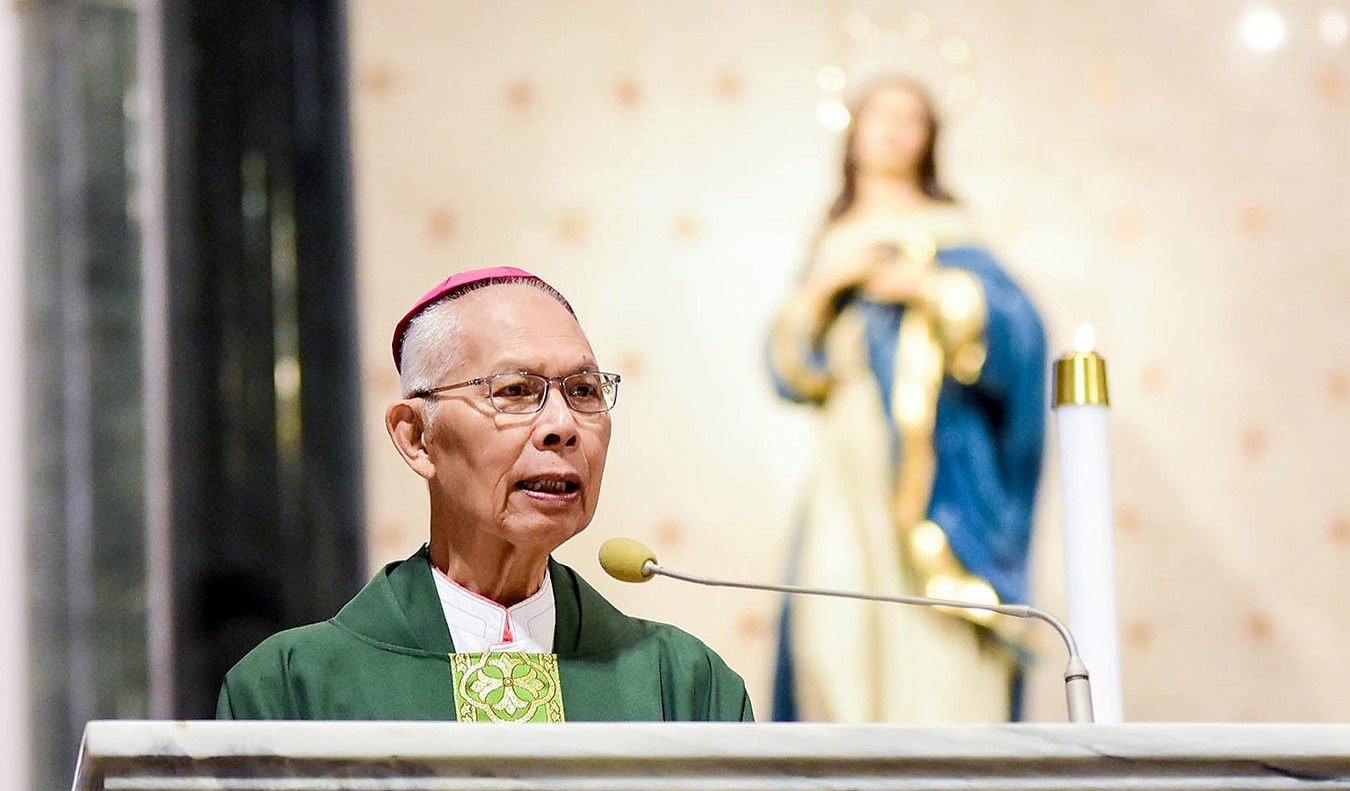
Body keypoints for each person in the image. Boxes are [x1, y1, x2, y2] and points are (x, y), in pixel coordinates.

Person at [219, 266, 753, 722]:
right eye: (516, 391)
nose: (562, 426)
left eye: (584, 391)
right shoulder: (290, 687)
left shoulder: (683, 684)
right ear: (417, 437)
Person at [768, 79, 1045, 723]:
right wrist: (819, 291)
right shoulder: (830, 240)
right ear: (853, 132)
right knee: (833, 620)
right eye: (879, 116)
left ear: (929, 140)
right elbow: (787, 371)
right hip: (850, 455)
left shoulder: (956, 237)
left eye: (911, 119)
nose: (893, 131)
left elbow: (1022, 338)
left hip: (937, 462)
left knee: (934, 638)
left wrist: (932, 289)